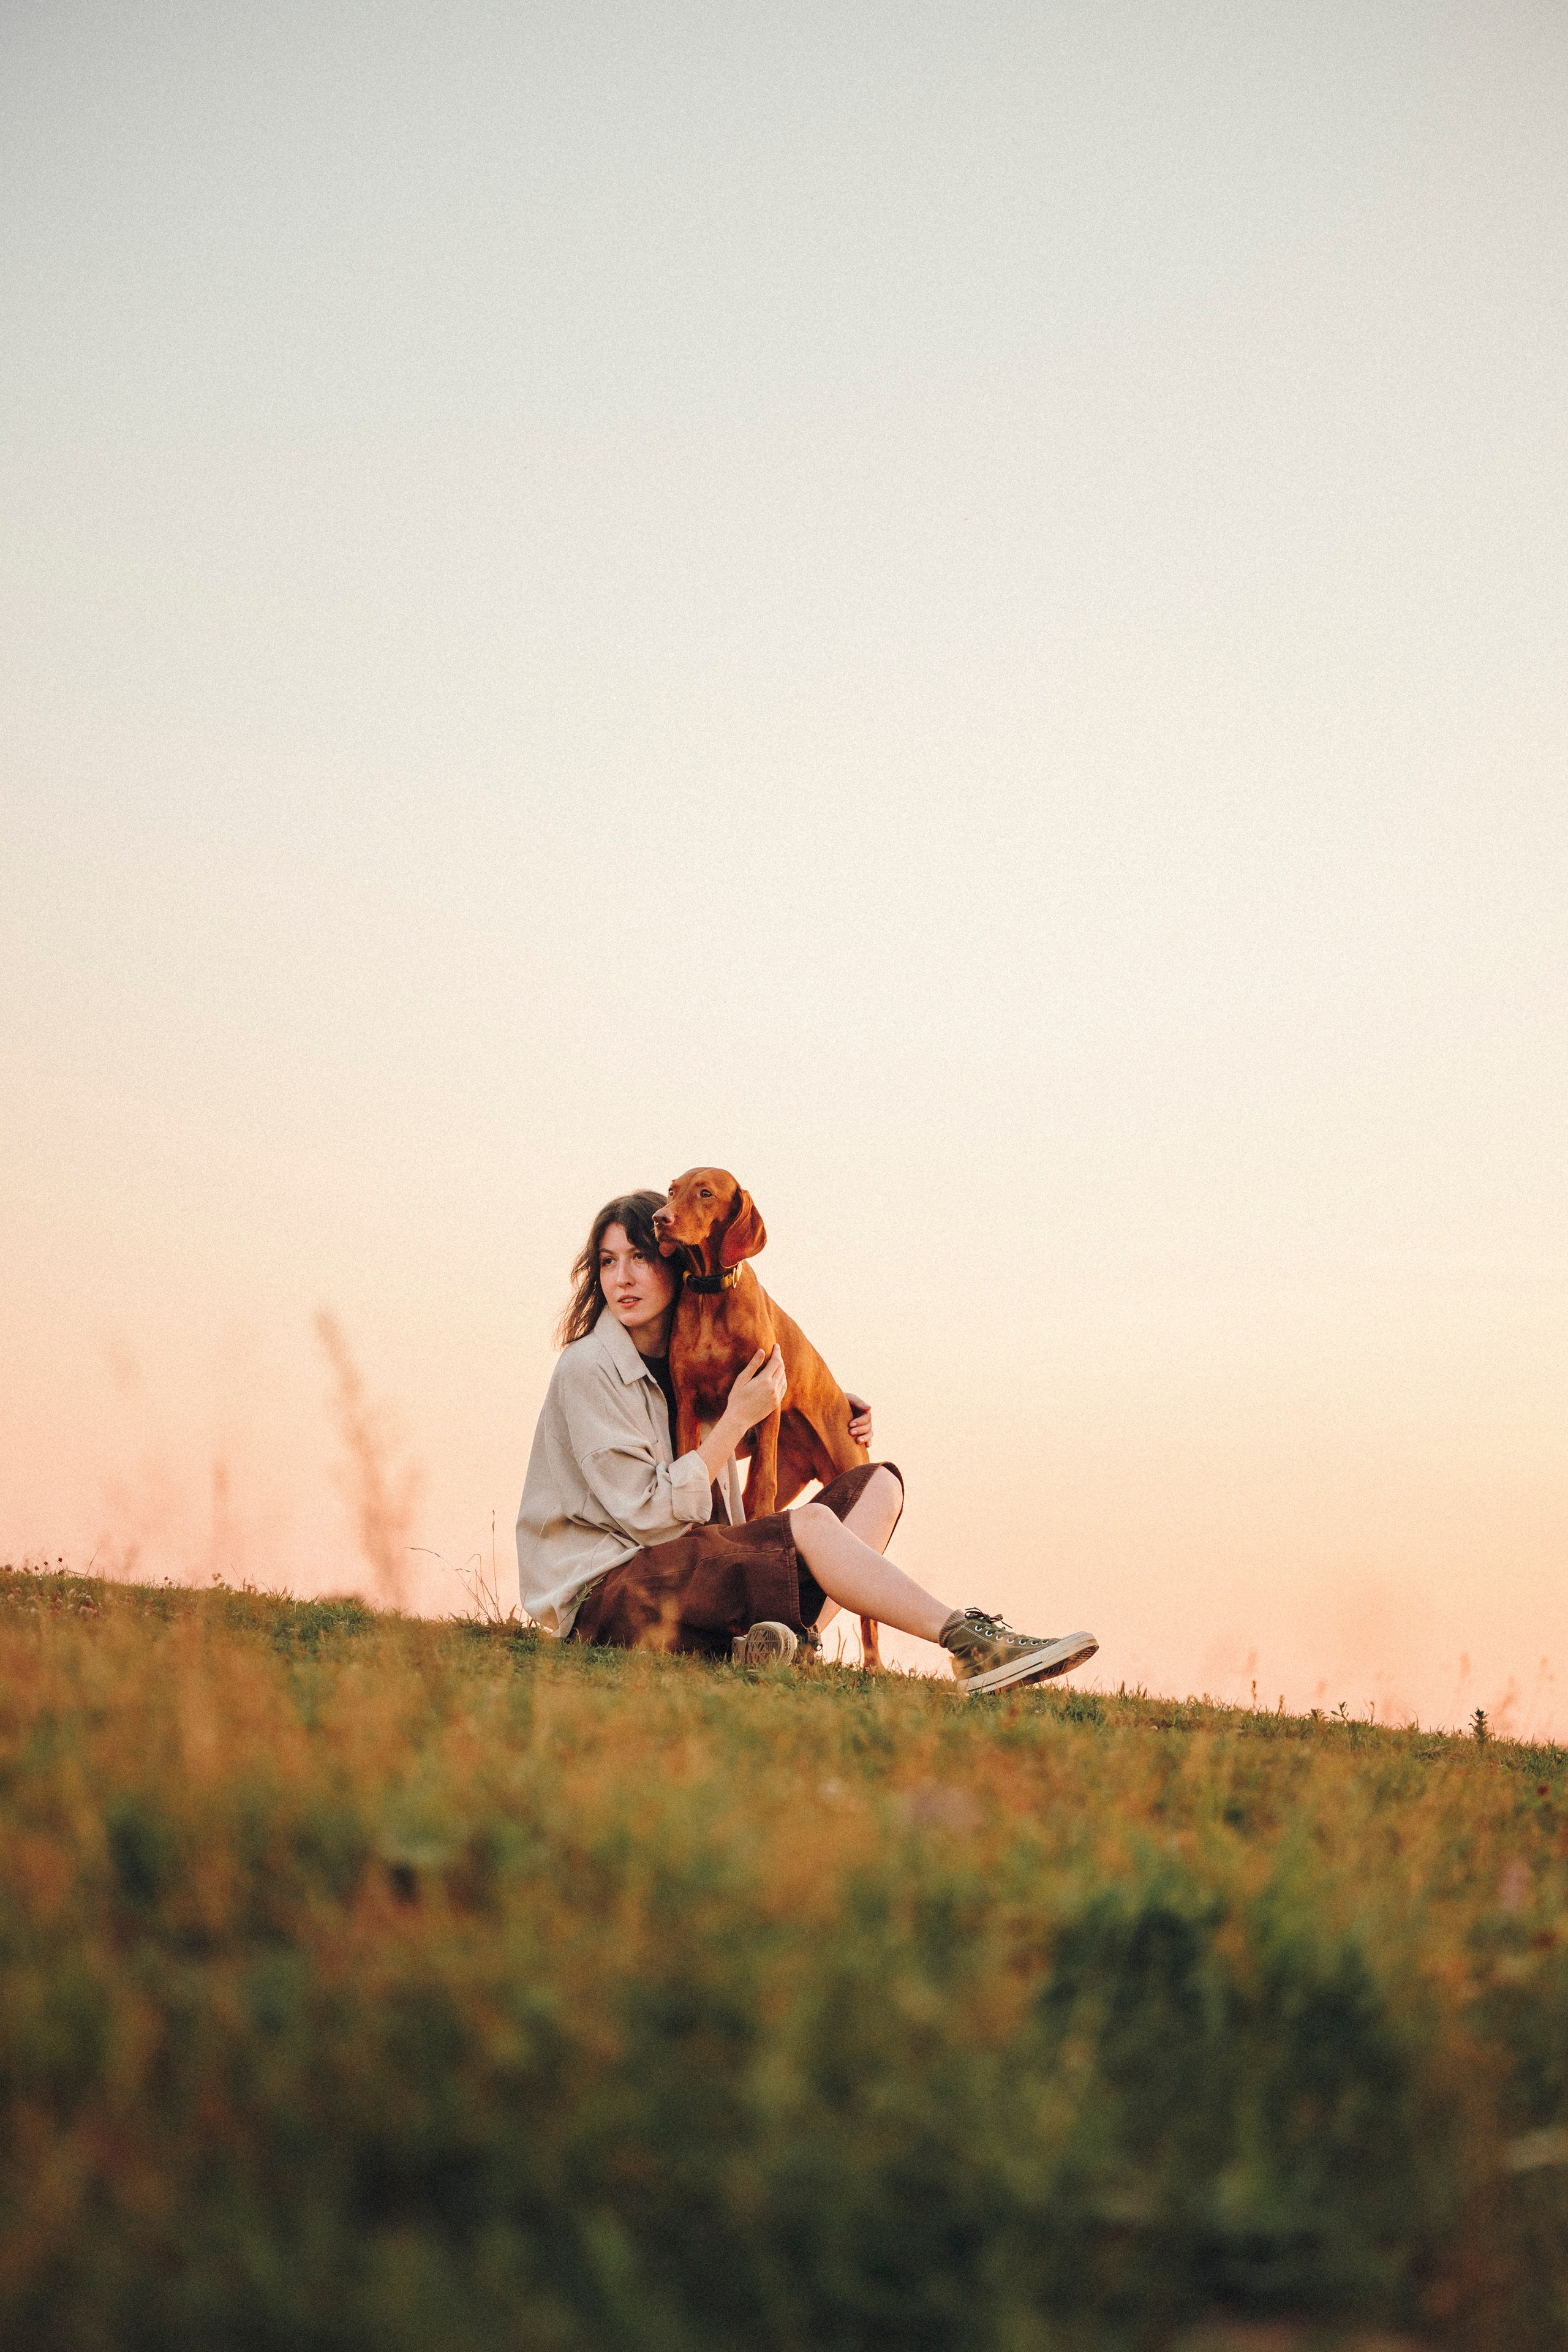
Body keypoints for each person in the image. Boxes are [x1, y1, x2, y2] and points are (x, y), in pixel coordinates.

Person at [514, 1189, 1098, 1695]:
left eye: (640, 1257)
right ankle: (969, 1641)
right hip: (609, 1592)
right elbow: (646, 1515)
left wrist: (824, 1409)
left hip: (692, 1574)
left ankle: (782, 1640)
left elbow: (698, 1463)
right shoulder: (589, 1368)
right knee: (814, 1529)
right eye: (608, 1261)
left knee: (879, 1485)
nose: (622, 1278)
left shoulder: (689, 1361)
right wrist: (740, 1417)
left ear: (680, 1261)